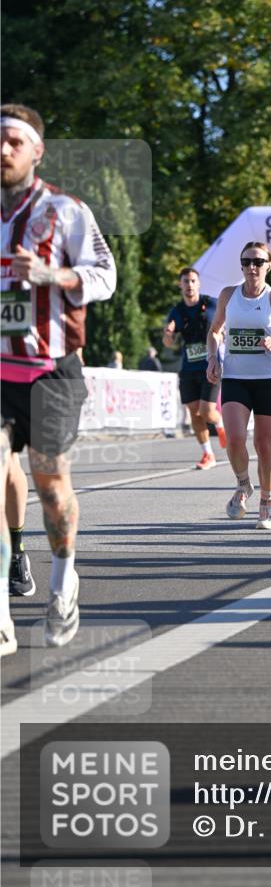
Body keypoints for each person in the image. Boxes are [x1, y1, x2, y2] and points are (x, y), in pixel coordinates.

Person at [1, 103, 117, 655]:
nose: (3, 151)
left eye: (13, 143)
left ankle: (64, 578)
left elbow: (106, 275)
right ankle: (1, 612)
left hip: (50, 371)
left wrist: (54, 274)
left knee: (49, 485)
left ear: (36, 151)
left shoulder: (65, 211)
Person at [206, 241, 271, 529]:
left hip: (269, 379)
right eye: (246, 262)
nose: (252, 267)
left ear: (269, 265)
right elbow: (215, 331)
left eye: (258, 262)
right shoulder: (228, 295)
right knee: (234, 438)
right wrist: (213, 358)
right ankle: (243, 484)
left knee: (264, 444)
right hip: (235, 377)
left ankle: (267, 503)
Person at [163, 267, 225, 469]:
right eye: (185, 282)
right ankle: (208, 454)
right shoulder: (177, 311)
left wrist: (221, 336)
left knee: (207, 412)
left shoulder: (212, 304)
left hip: (210, 365)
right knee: (194, 412)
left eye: (192, 281)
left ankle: (221, 424)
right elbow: (168, 344)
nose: (189, 285)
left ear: (198, 284)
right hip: (188, 369)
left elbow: (224, 325)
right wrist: (169, 334)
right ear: (180, 285)